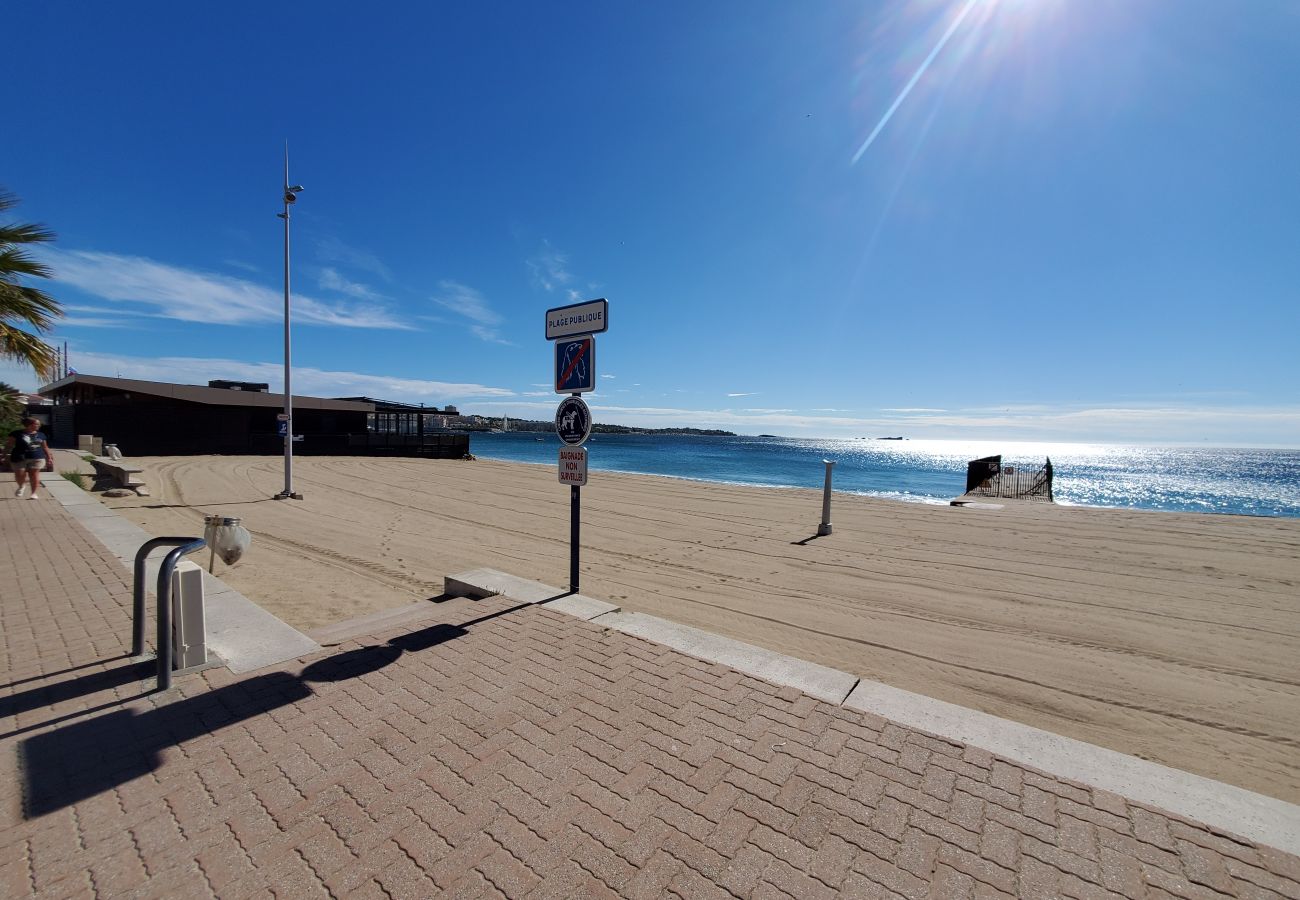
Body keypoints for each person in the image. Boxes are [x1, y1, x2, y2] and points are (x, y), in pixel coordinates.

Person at [7, 417, 51, 499]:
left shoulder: (41, 434)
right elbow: (9, 445)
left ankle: (33, 493)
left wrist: (49, 457)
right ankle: (21, 485)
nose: (39, 425)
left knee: (34, 475)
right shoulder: (16, 433)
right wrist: (4, 454)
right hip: (19, 457)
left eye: (39, 424)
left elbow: (45, 447)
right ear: (29, 425)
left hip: (37, 457)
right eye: (36, 424)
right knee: (19, 475)